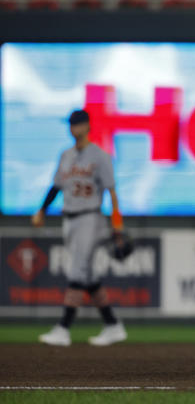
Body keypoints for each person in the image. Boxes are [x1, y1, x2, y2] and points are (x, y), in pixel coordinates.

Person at [32, 109, 128, 347]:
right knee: (88, 276)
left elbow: (112, 193)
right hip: (69, 218)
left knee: (76, 271)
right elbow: (56, 186)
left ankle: (63, 328)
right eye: (71, 125)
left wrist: (117, 226)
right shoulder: (65, 156)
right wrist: (42, 210)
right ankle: (113, 325)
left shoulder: (100, 156)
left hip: (90, 218)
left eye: (78, 124)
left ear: (87, 126)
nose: (74, 128)